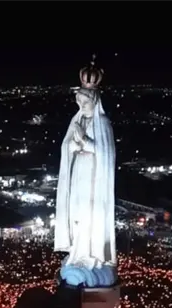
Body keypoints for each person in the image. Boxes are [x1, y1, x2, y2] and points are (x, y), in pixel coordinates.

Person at [54, 60, 117, 286]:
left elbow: (106, 153)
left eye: (86, 102)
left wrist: (85, 141)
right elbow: (66, 147)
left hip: (93, 178)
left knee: (90, 216)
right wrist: (74, 144)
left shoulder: (104, 123)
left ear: (95, 102)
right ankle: (77, 252)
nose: (82, 106)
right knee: (77, 215)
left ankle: (91, 255)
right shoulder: (77, 121)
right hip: (78, 173)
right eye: (79, 102)